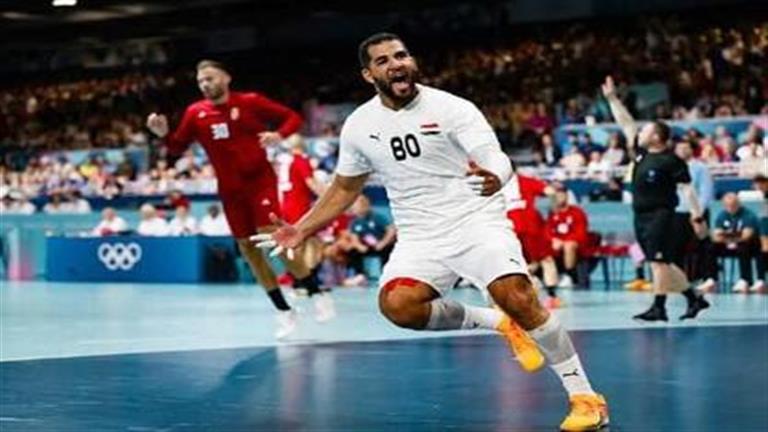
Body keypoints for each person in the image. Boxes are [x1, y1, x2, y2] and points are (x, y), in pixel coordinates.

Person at [255, 33, 608, 431]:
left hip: (476, 221)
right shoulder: (359, 125)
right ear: (369, 74)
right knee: (398, 306)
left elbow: (494, 156)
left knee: (516, 295)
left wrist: (496, 174)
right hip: (420, 236)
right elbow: (344, 187)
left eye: (401, 55)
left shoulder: (452, 108)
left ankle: (585, 398)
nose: (397, 64)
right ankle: (498, 323)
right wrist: (301, 229)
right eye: (384, 60)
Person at [146, 60, 333, 337]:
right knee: (248, 249)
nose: (205, 84)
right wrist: (164, 135)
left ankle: (316, 291)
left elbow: (293, 118)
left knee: (273, 237)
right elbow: (176, 147)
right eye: (201, 81)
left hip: (260, 183)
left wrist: (278, 135)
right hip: (230, 190)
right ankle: (284, 310)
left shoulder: (250, 102)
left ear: (226, 78)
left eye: (210, 78)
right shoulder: (195, 113)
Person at [602, 75, 709, 321]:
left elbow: (688, 190)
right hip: (640, 215)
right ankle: (694, 298)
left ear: (657, 137)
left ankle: (659, 307)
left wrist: (697, 217)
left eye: (646, 130)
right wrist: (613, 100)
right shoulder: (641, 154)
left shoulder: (672, 161)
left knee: (658, 263)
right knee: (662, 263)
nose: (641, 132)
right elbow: (627, 124)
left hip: (662, 214)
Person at [501, 174, 561, 308]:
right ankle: (552, 296)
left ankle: (516, 297)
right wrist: (554, 209)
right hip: (531, 224)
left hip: (508, 226)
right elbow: (551, 192)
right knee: (546, 260)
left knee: (514, 263)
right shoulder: (526, 180)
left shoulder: (493, 182)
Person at [711, 193, 765, 293]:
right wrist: (731, 239)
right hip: (730, 245)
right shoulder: (722, 215)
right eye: (727, 206)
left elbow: (746, 236)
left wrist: (727, 236)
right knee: (711, 246)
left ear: (739, 204)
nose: (730, 208)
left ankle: (745, 280)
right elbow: (716, 237)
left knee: (744, 245)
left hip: (751, 247)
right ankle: (712, 279)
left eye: (733, 205)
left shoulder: (748, 215)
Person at [345, 194, 396, 284]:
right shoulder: (355, 222)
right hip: (366, 247)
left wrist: (382, 243)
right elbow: (354, 238)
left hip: (380, 245)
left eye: (358, 205)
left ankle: (386, 274)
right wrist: (359, 246)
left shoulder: (377, 217)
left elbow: (391, 230)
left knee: (388, 250)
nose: (355, 208)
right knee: (352, 251)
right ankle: (360, 275)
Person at [546, 188, 590, 290]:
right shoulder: (552, 213)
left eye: (562, 195)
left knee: (568, 246)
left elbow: (581, 232)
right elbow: (547, 230)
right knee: (543, 247)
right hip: (557, 242)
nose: (560, 198)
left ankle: (570, 275)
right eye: (557, 196)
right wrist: (553, 239)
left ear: (566, 197)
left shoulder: (577, 212)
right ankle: (544, 276)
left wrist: (564, 241)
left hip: (575, 243)